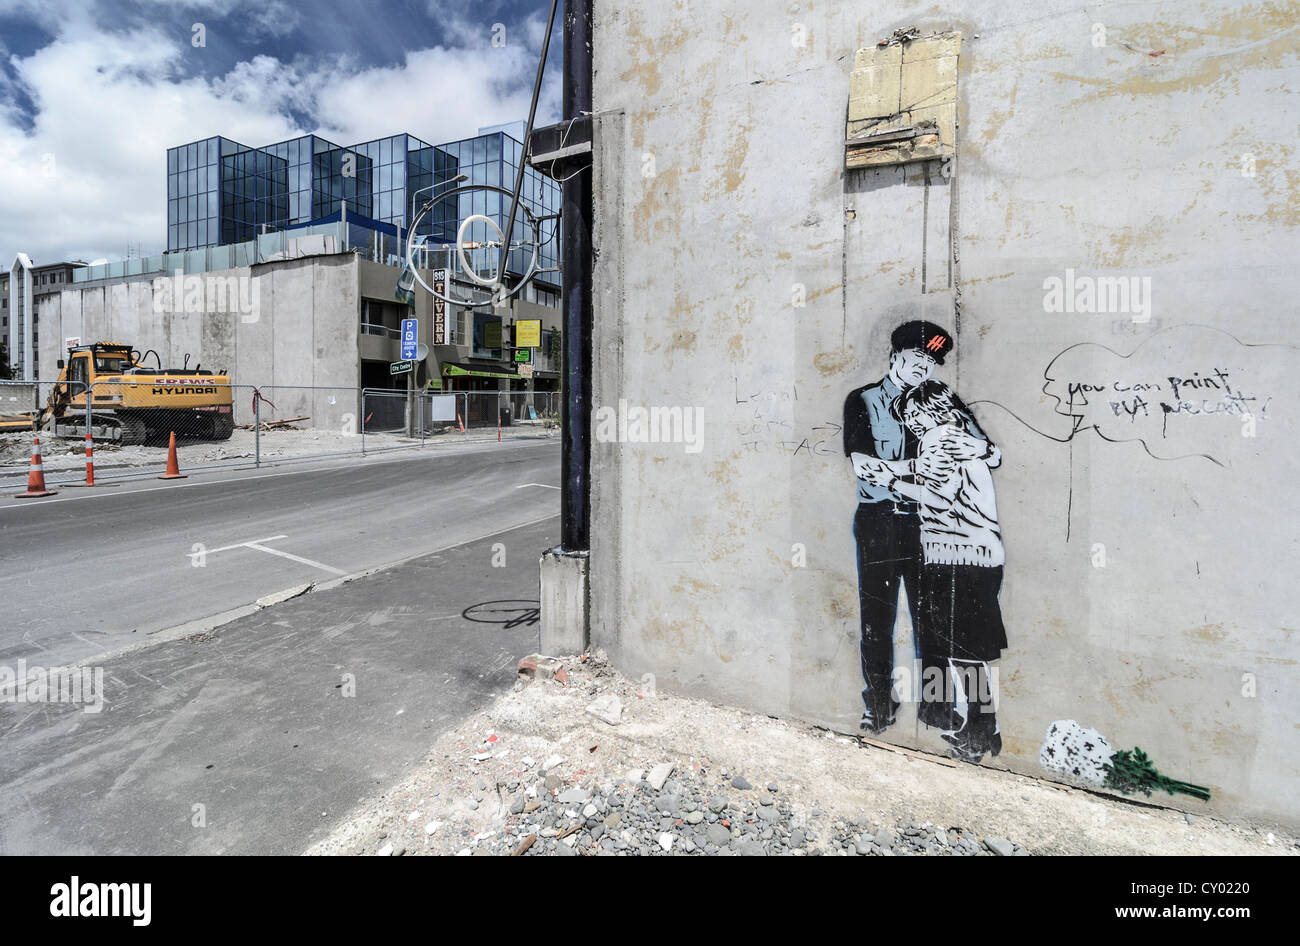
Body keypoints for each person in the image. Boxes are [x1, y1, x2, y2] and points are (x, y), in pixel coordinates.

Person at [843, 321, 1000, 734]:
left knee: (931, 622)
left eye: (930, 362)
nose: (921, 369)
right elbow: (861, 465)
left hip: (927, 525)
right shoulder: (863, 400)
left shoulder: (939, 401)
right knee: (876, 620)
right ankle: (878, 705)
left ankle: (936, 708)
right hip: (878, 521)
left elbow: (992, 451)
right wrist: (914, 467)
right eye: (915, 359)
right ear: (895, 357)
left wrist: (971, 447)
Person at [859, 378, 1007, 762]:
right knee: (966, 653)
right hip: (973, 556)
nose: (909, 422)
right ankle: (980, 730)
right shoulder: (956, 436)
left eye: (912, 414)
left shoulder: (940, 438)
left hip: (962, 558)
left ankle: (979, 733)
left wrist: (891, 479)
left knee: (965, 653)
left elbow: (938, 496)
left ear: (929, 409)